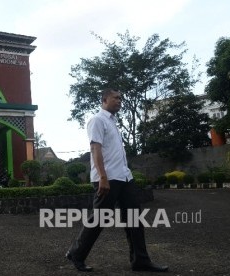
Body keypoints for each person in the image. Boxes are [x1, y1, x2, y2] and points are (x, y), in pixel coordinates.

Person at [65, 88, 168, 272]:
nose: (120, 100)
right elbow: (95, 150)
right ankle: (76, 254)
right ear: (105, 99)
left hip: (124, 177)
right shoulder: (97, 120)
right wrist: (103, 177)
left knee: (134, 218)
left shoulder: (113, 123)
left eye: (121, 98)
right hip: (107, 178)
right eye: (116, 98)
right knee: (100, 219)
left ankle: (140, 260)